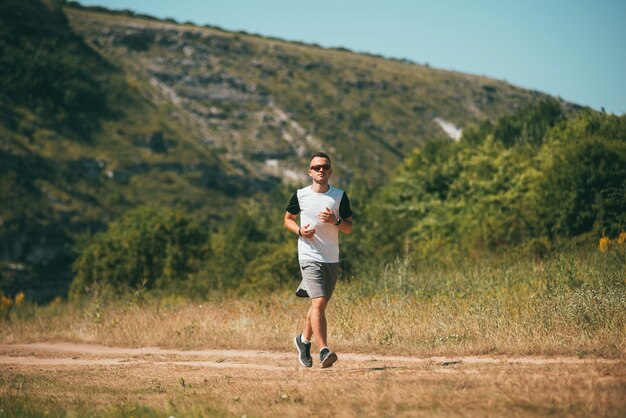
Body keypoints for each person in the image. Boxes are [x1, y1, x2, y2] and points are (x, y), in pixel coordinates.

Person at [284, 152, 353, 368]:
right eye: (316, 167)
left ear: (330, 171)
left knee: (318, 307)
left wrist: (336, 220)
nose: (321, 170)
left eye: (325, 167)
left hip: (331, 257)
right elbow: (288, 219)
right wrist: (299, 231)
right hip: (309, 255)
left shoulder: (339, 196)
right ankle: (324, 350)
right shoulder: (300, 195)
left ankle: (303, 341)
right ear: (310, 172)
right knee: (319, 303)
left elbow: (349, 227)